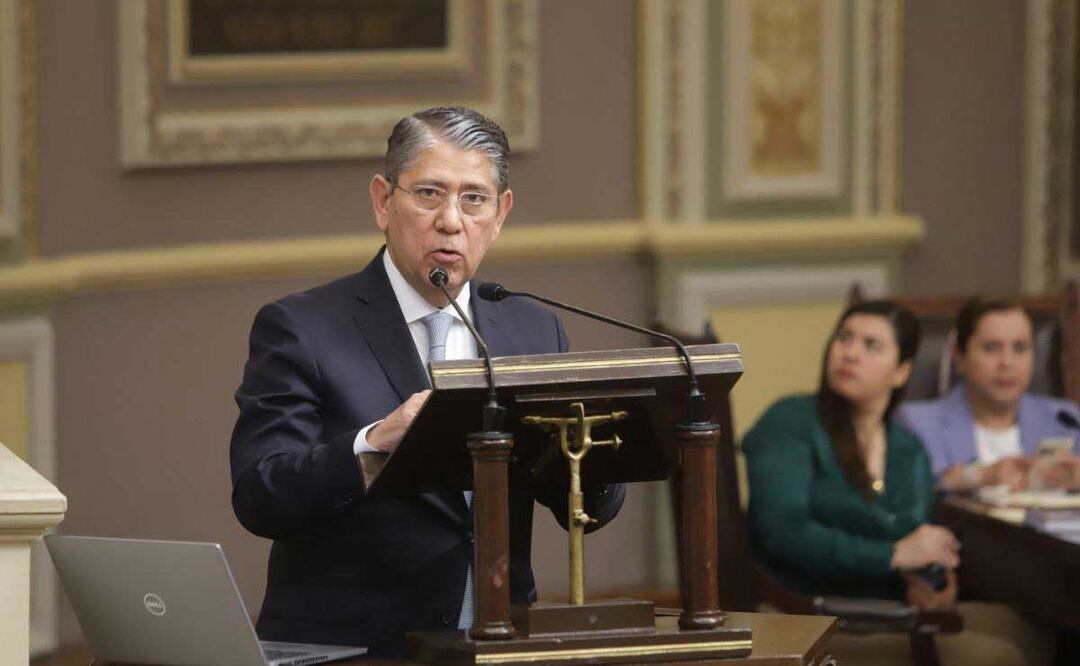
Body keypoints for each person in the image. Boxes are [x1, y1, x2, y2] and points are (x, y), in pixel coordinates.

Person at [229, 107, 624, 657]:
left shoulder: (531, 328)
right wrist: (373, 445)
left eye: (474, 199)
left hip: (497, 644)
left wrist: (593, 453)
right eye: (430, 194)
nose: (451, 221)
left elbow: (586, 505)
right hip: (355, 651)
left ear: (501, 213)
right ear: (382, 201)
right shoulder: (301, 328)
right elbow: (260, 495)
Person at [743, 301, 1050, 665]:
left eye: (871, 346)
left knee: (1031, 629)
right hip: (813, 614)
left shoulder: (907, 449)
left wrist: (934, 583)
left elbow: (916, 538)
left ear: (901, 372)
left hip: (890, 604)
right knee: (996, 655)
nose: (850, 353)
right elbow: (782, 533)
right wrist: (891, 556)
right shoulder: (791, 421)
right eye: (845, 338)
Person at [898, 298, 1080, 492]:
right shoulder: (918, 423)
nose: (1007, 362)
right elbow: (909, 493)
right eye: (991, 348)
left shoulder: (1063, 418)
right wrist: (978, 476)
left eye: (1020, 348)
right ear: (959, 357)